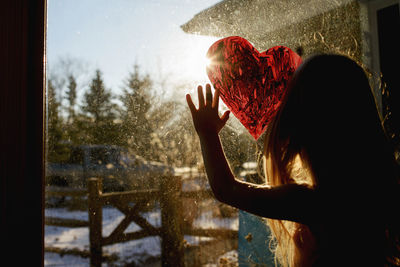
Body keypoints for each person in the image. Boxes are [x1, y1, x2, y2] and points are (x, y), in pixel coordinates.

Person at [186, 54, 399, 267]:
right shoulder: (379, 193)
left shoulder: (314, 203)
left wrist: (207, 133)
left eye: (290, 103)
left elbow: (225, 189)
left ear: (305, 126)